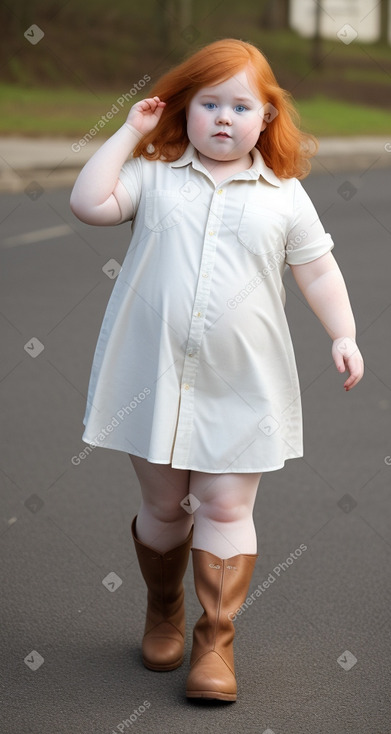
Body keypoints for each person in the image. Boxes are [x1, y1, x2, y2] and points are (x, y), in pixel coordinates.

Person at [70, 38, 364, 702]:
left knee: (225, 505)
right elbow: (89, 203)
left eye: (241, 105)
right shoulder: (153, 174)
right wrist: (128, 133)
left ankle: (215, 640)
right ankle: (163, 607)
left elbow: (316, 268)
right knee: (165, 508)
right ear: (184, 109)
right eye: (209, 103)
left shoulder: (283, 195)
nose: (224, 118)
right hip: (151, 379)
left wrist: (342, 333)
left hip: (243, 382)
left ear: (266, 117)